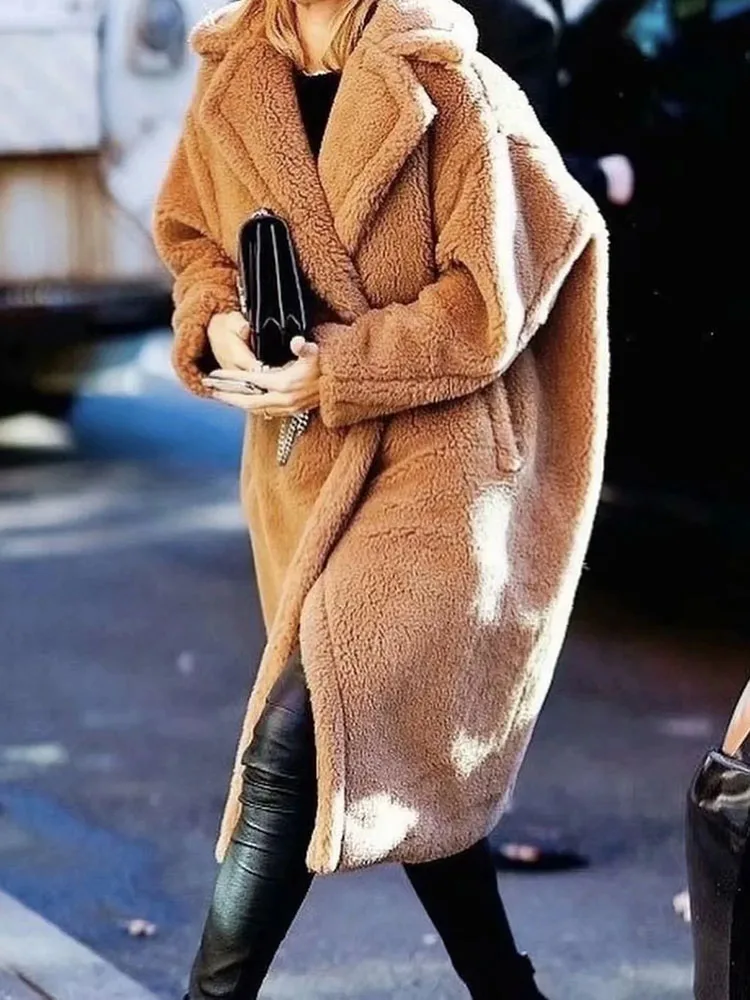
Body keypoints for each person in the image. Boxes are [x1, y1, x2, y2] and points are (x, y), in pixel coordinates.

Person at [152, 0, 609, 996]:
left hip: (446, 463)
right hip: (308, 468)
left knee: (300, 731)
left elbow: (489, 300)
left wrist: (341, 367)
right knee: (392, 738)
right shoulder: (231, 70)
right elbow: (195, 242)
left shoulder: (448, 77)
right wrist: (219, 323)